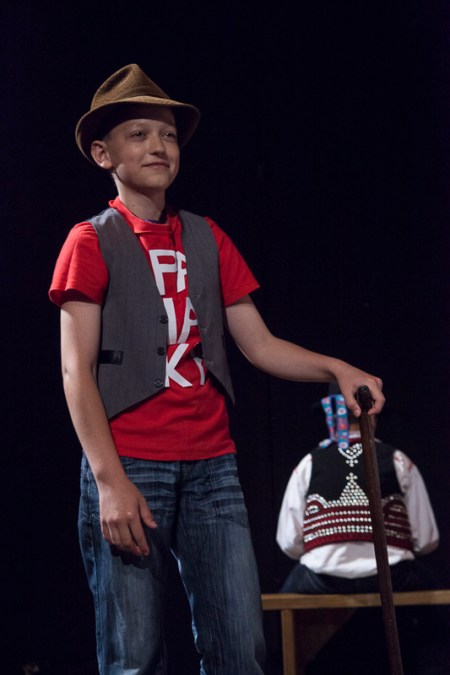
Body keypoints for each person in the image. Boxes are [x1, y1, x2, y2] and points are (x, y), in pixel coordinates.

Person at [48, 63, 384, 675]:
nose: (159, 146)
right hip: (131, 464)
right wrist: (109, 481)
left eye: (169, 135)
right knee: (134, 657)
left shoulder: (205, 237)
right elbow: (76, 370)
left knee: (239, 650)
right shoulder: (91, 241)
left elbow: (259, 344)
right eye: (139, 134)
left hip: (212, 468)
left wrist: (336, 368)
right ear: (103, 154)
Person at [276, 386, 439, 594]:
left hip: (324, 577)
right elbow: (426, 540)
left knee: (284, 603)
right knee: (433, 599)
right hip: (392, 574)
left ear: (332, 416)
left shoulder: (308, 463)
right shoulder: (398, 460)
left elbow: (289, 542)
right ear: (372, 416)